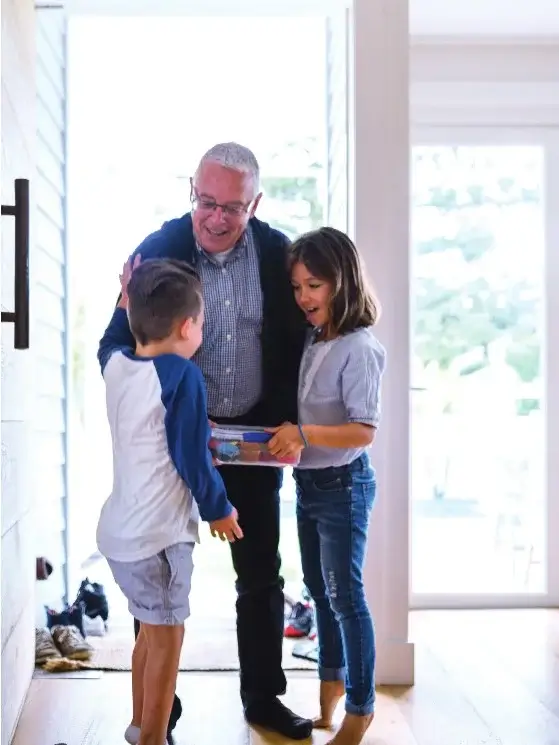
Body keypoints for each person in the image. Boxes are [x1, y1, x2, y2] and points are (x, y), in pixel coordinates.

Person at [98, 142, 311, 740]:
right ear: (192, 192)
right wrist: (149, 395)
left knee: (261, 574)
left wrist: (293, 421)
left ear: (256, 204)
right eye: (206, 202)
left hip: (252, 439)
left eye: (233, 208)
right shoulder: (160, 248)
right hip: (172, 446)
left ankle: (264, 699)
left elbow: (303, 341)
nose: (217, 218)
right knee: (156, 585)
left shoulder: (278, 254)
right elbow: (116, 342)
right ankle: (158, 715)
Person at [96, 258, 244, 745]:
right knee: (168, 640)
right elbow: (189, 456)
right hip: (158, 538)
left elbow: (108, 342)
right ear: (187, 326)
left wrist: (125, 302)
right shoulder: (181, 376)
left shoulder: (119, 366)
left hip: (120, 536)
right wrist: (218, 508)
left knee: (149, 634)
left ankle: (140, 728)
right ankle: (154, 739)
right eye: (200, 322)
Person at [265, 227, 386, 745]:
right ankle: (329, 687)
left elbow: (364, 431)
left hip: (344, 486)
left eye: (314, 285)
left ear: (343, 281)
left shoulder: (360, 348)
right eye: (297, 287)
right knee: (320, 592)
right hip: (310, 481)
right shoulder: (317, 338)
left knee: (346, 598)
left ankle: (361, 707)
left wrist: (304, 433)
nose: (304, 297)